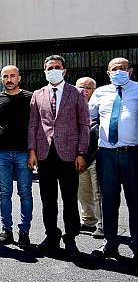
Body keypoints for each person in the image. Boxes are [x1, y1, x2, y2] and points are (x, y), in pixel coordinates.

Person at [28, 55, 89, 261]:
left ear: (64, 70)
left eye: (57, 67)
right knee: (48, 200)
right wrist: (32, 151)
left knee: (69, 200)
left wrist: (82, 152)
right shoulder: (38, 94)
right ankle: (51, 236)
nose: (53, 70)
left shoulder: (77, 93)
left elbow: (84, 125)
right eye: (49, 68)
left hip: (70, 155)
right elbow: (33, 125)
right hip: (45, 155)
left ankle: (70, 238)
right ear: (44, 71)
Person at [89, 58, 137, 269]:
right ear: (108, 73)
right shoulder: (100, 92)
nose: (119, 72)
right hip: (106, 154)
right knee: (108, 201)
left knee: (135, 201)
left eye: (123, 69)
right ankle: (111, 243)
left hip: (133, 154)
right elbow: (89, 118)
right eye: (114, 69)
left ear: (131, 71)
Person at [0, 65, 34, 249]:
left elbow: (35, 127)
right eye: (5, 76)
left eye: (12, 76)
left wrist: (33, 152)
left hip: (24, 153)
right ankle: (6, 230)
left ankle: (24, 232)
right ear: (1, 79)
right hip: (1, 153)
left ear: (19, 78)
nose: (9, 79)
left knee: (25, 193)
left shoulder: (31, 98)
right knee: (4, 194)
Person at [75, 77, 104, 239]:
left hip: (97, 155)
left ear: (95, 90)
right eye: (81, 87)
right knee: (83, 191)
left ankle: (102, 224)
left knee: (99, 192)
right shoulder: (73, 107)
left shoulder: (100, 107)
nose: (84, 90)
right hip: (79, 157)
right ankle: (88, 220)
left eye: (89, 88)